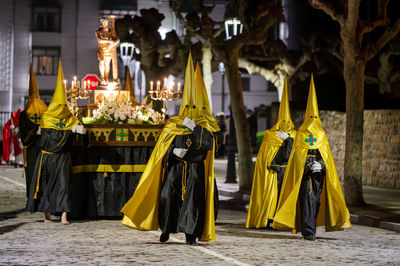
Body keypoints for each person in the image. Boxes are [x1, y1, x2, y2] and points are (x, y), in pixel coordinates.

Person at [121, 52, 216, 245]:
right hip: (175, 168)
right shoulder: (174, 123)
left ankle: (190, 234)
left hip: (194, 169)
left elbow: (207, 147)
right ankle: (166, 229)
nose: (189, 109)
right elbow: (164, 146)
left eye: (193, 105)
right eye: (186, 105)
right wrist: (172, 152)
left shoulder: (203, 126)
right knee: (167, 197)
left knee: (192, 202)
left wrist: (195, 130)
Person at [273, 75, 351, 240]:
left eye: (315, 118)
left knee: (316, 202)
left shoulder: (321, 134)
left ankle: (311, 226)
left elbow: (326, 156)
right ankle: (309, 231)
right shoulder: (301, 134)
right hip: (305, 175)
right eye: (311, 117)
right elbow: (296, 157)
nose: (313, 121)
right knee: (308, 200)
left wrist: (321, 165)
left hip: (319, 175)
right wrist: (309, 166)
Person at [26, 60, 85, 225]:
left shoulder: (69, 118)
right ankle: (47, 215)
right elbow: (40, 133)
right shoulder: (47, 117)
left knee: (64, 186)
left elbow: (81, 130)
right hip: (46, 157)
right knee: (46, 184)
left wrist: (76, 128)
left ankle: (64, 215)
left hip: (61, 158)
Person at [246, 76, 296, 229]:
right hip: (274, 173)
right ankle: (268, 218)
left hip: (287, 173)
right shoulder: (270, 135)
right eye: (283, 122)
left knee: (284, 197)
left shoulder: (294, 136)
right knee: (272, 197)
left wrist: (288, 140)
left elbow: (292, 156)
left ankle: (284, 220)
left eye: (288, 123)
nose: (286, 125)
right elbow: (265, 157)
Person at [19, 65, 48, 197]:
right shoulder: (43, 107)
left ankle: (33, 197)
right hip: (39, 147)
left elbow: (24, 136)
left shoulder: (27, 111)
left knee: (35, 173)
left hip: (33, 148)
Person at [96, 16, 120, 85]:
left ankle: (106, 78)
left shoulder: (111, 32)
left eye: (105, 22)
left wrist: (111, 45)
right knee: (102, 61)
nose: (104, 24)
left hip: (109, 50)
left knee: (107, 64)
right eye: (103, 22)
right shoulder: (98, 32)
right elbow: (100, 40)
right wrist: (109, 41)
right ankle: (102, 77)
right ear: (101, 23)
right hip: (101, 50)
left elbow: (117, 40)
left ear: (107, 23)